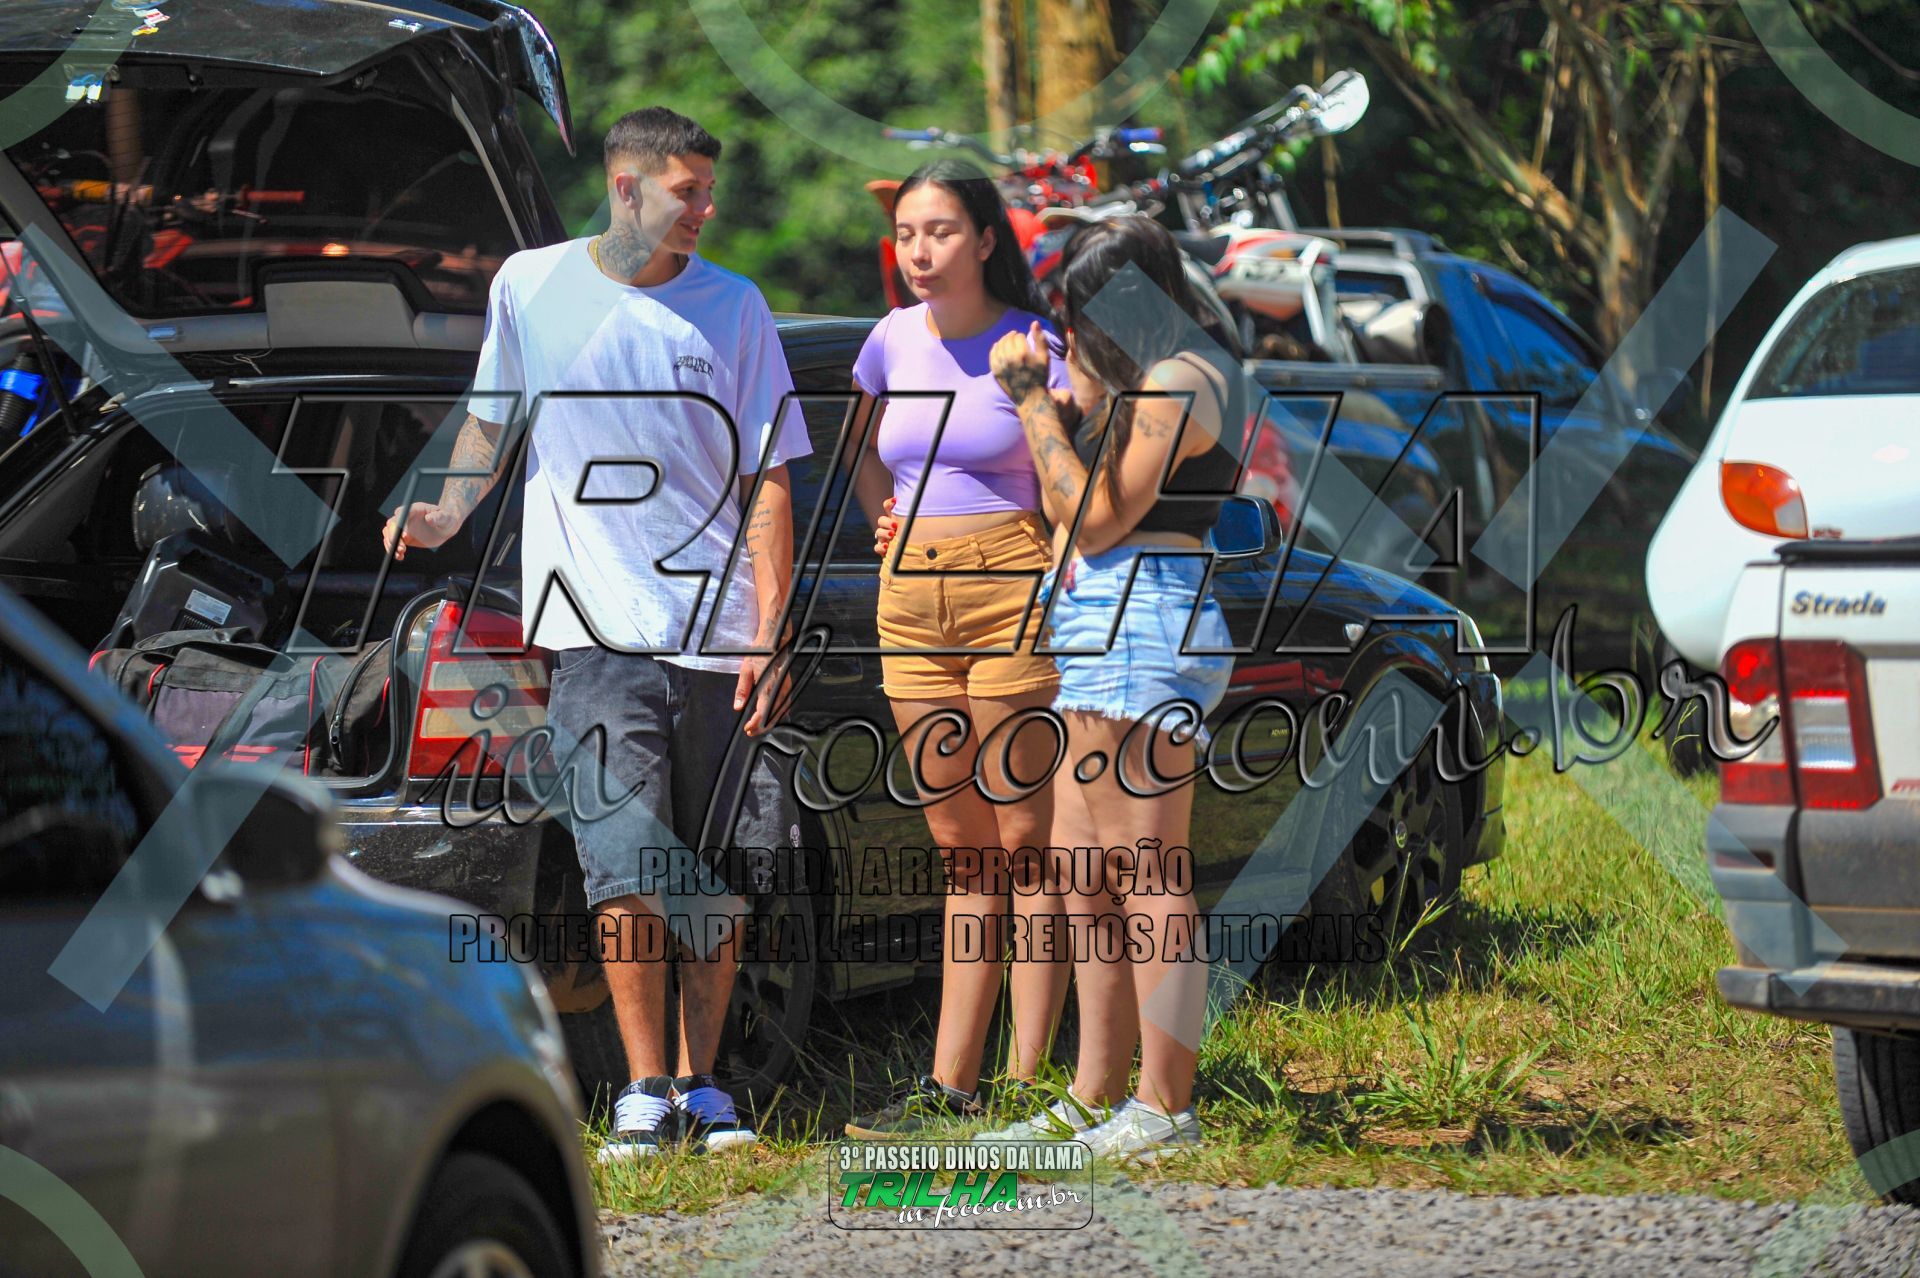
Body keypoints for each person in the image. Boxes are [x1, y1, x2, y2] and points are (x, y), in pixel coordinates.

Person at [381, 107, 809, 1160]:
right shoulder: (534, 286)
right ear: (627, 189)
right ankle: (644, 1091)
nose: (706, 210)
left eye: (708, 191)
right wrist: (443, 514)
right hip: (594, 634)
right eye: (687, 191)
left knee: (714, 874)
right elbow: (491, 420)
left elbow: (769, 475)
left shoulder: (735, 305)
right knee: (624, 869)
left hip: (719, 638)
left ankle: (707, 1090)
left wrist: (770, 629)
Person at [976, 215, 1244, 1160]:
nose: (1073, 328)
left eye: (1082, 311)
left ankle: (1165, 1109)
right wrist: (1072, 395)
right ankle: (1096, 1098)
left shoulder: (1182, 378)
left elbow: (1093, 518)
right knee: (1083, 873)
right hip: (1104, 625)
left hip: (1144, 619)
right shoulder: (1141, 382)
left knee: (1145, 870)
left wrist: (1030, 402)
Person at [840, 159, 1074, 1137]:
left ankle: (1029, 1085)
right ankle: (953, 1085)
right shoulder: (890, 339)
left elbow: (1065, 475)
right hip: (910, 606)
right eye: (906, 234)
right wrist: (881, 516)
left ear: (983, 239)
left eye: (938, 231)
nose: (919, 251)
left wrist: (1064, 569)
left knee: (1026, 844)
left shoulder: (1032, 344)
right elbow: (862, 447)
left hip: (1012, 589)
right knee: (960, 849)